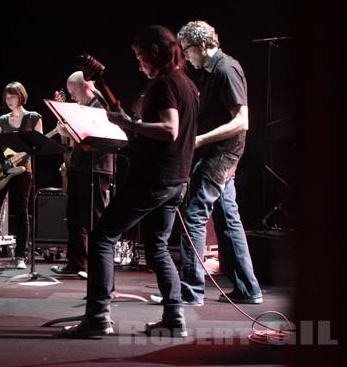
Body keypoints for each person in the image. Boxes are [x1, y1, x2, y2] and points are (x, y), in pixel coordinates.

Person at [62, 25, 199, 337]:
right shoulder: (187, 84)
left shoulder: (165, 84)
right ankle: (174, 319)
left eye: (141, 58)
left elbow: (169, 129)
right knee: (158, 248)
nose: (140, 66)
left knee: (101, 238)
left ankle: (98, 317)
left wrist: (131, 125)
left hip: (155, 178)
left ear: (154, 51)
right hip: (177, 180)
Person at [176, 20, 263, 304]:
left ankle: (191, 292)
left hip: (221, 154)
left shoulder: (225, 69)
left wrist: (200, 140)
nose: (186, 56)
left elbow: (242, 121)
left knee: (193, 216)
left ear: (201, 45)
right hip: (220, 154)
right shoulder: (211, 71)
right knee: (228, 220)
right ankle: (248, 289)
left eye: (186, 50)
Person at [50, 72, 113, 277]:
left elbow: (96, 135)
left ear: (85, 86)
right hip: (82, 166)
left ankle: (93, 265)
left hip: (96, 168)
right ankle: (76, 263)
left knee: (92, 218)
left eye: (73, 91)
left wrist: (69, 132)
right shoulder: (88, 105)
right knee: (75, 217)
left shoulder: (99, 105)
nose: (72, 96)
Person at [0, 82, 43, 269]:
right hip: (2, 170)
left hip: (24, 170)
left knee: (21, 212)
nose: (9, 100)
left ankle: (20, 256)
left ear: (21, 96)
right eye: (7, 97)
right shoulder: (1, 120)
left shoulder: (33, 118)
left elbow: (38, 145)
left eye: (13, 96)